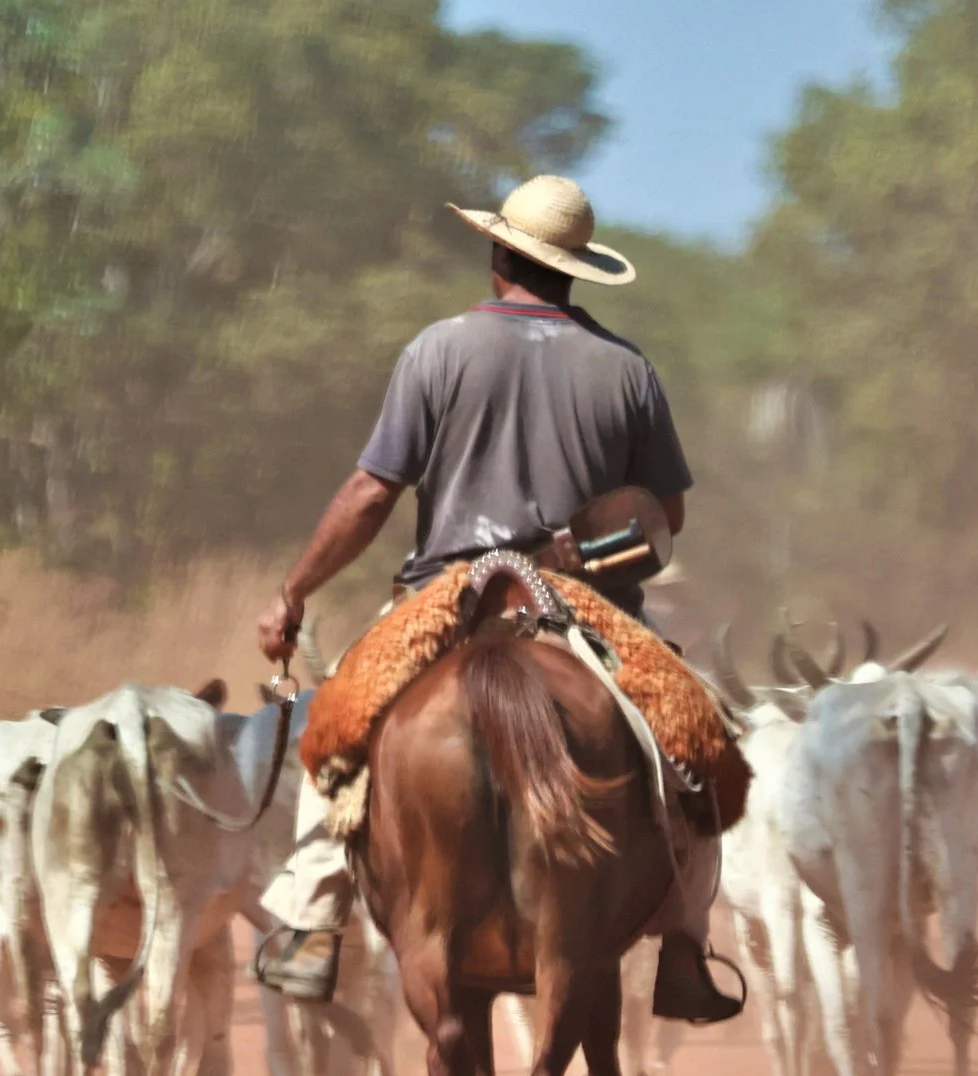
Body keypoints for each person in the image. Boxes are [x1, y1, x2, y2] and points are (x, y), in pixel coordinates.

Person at [250, 173, 741, 1025]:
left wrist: (295, 591)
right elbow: (668, 515)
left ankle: (312, 920)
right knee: (700, 746)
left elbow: (372, 493)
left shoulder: (437, 351)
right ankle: (686, 947)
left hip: (444, 596)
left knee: (336, 729)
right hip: (587, 604)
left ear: (498, 253)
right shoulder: (627, 369)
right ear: (577, 268)